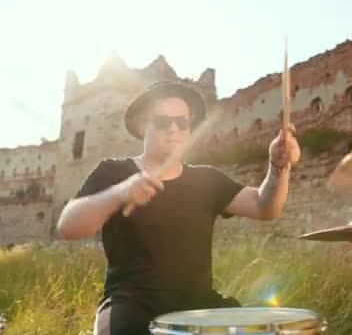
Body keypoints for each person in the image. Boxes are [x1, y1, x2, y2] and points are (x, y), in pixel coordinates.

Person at [56, 81, 300, 335]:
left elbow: (264, 207)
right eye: (162, 121)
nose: (173, 128)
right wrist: (120, 193)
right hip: (131, 303)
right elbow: (68, 225)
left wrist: (279, 166)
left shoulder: (207, 179)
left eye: (182, 122)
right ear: (142, 126)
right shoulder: (113, 171)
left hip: (199, 304)